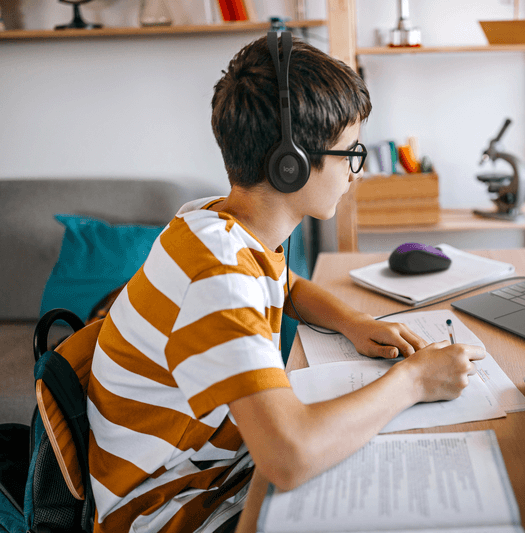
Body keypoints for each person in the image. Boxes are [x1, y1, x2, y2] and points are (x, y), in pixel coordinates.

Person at [86, 34, 484, 533]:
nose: (355, 174)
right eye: (349, 153)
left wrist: (354, 322)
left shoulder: (213, 222)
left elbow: (287, 284)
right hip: (176, 512)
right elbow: (289, 456)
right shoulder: (217, 277)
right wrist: (415, 380)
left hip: (219, 471)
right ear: (290, 165)